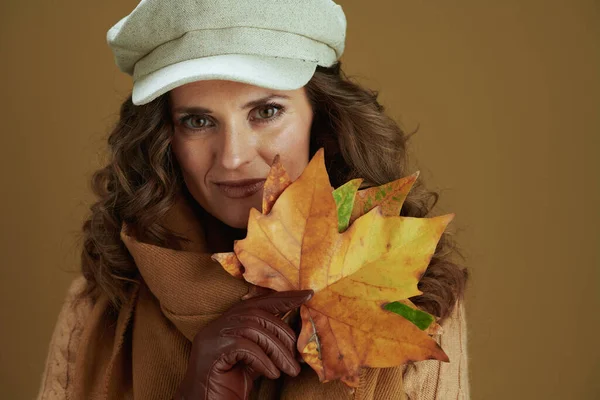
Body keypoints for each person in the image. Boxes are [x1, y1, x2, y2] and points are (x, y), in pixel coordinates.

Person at [37, 0, 470, 399]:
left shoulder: (411, 295)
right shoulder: (101, 301)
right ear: (164, 138)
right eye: (198, 120)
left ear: (322, 118)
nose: (233, 156)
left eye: (265, 112)